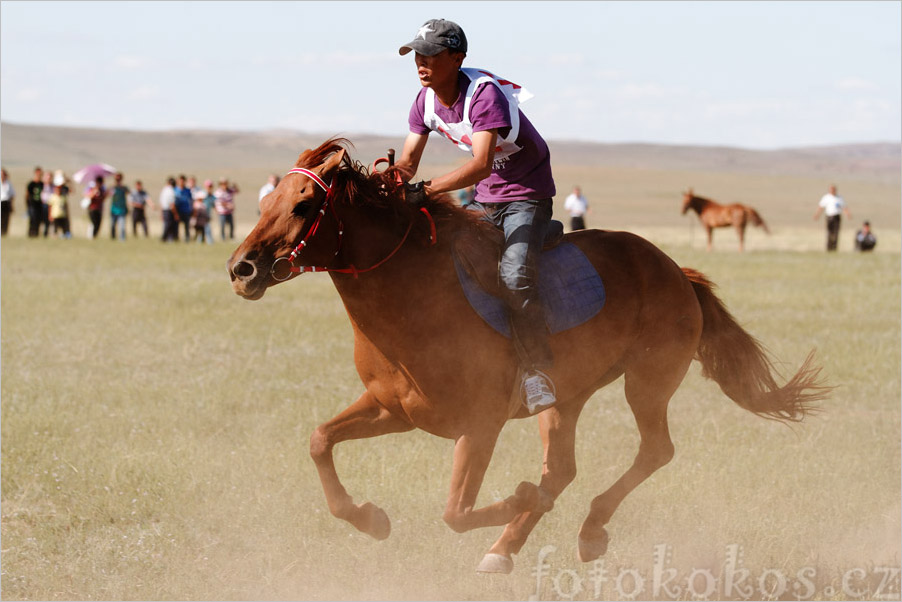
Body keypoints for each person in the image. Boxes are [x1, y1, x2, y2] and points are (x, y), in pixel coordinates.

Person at [396, 18, 558, 413]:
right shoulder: (425, 101)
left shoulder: (484, 95)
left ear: (457, 58)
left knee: (514, 274)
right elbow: (407, 164)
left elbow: (482, 163)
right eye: (417, 54)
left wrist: (426, 190)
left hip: (527, 196)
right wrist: (387, 182)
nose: (421, 62)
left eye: (431, 55)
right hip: (486, 201)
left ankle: (538, 373)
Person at [813, 184, 851, 252]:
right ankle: (829, 248)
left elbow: (844, 207)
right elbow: (821, 207)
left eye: (834, 190)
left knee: (836, 233)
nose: (833, 191)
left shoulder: (839, 198)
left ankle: (834, 248)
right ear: (829, 190)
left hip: (837, 217)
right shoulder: (826, 197)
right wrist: (817, 215)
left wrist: (848, 214)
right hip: (829, 216)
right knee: (829, 233)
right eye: (831, 189)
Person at [47, 171, 72, 239]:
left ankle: (65, 236)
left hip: (62, 215)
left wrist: (68, 182)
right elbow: (50, 206)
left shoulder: (63, 196)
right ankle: (54, 237)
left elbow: (71, 191)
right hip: (55, 215)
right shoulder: (53, 197)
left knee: (64, 228)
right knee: (55, 229)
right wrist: (50, 215)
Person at [109, 172, 130, 241]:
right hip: (114, 209)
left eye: (119, 178)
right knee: (112, 226)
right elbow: (108, 194)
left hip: (122, 209)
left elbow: (129, 192)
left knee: (122, 226)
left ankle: (122, 239)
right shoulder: (112, 187)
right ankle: (113, 238)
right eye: (116, 178)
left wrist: (121, 187)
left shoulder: (124, 187)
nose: (118, 179)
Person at [174, 175, 194, 242]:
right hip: (178, 211)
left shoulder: (188, 191)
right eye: (180, 181)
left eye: (183, 181)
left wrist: (192, 209)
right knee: (176, 226)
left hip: (186, 211)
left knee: (187, 226)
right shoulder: (175, 190)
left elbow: (191, 200)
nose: (181, 182)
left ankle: (187, 239)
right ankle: (176, 238)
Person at [26, 166, 44, 238]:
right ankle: (30, 234)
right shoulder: (31, 184)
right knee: (32, 219)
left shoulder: (42, 184)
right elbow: (27, 195)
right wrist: (28, 204)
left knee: (38, 220)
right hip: (32, 205)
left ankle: (36, 234)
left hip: (40, 204)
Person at [159, 177, 179, 242]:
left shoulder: (164, 190)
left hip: (165, 210)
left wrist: (161, 213)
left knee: (166, 224)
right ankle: (164, 238)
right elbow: (172, 204)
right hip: (169, 211)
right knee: (169, 225)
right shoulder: (171, 191)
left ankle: (167, 238)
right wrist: (176, 214)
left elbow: (161, 202)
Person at [202, 179, 217, 243]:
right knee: (204, 228)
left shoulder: (212, 196)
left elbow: (214, 205)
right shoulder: (202, 195)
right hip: (201, 214)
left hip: (207, 214)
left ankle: (207, 240)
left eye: (210, 186)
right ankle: (209, 241)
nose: (209, 188)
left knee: (206, 227)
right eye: (208, 186)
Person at [1, 167, 14, 236]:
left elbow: (12, 195)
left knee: (5, 219)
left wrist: (11, 205)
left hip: (6, 203)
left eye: (3, 174)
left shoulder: (8, 183)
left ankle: (4, 233)